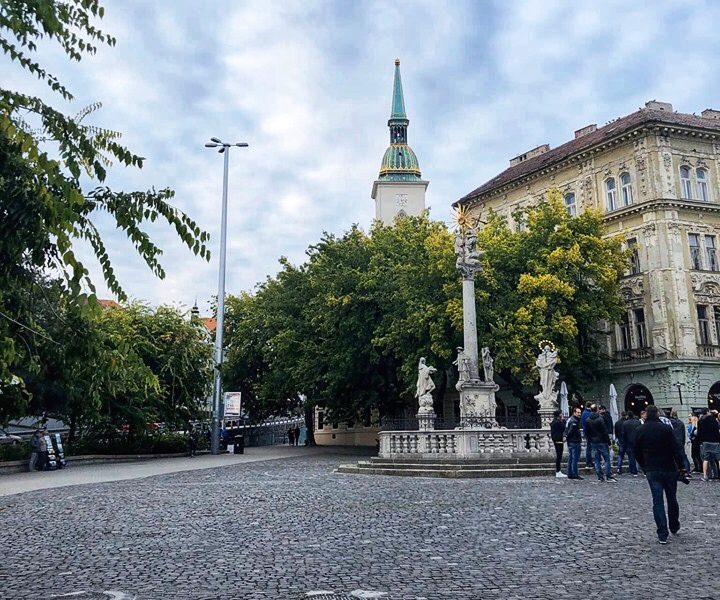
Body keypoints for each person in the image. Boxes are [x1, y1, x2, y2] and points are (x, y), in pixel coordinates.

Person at [634, 405, 687, 544]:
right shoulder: (666, 429)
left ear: (646, 414)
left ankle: (662, 533)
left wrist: (644, 465)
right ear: (657, 414)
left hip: (652, 468)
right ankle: (674, 525)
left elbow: (636, 451)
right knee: (672, 498)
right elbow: (676, 447)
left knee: (657, 501)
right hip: (668, 467)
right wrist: (682, 465)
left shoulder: (640, 430)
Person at [585, 405, 616, 482]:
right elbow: (604, 432)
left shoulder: (588, 420)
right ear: (597, 410)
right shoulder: (600, 419)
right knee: (606, 459)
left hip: (593, 442)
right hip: (602, 441)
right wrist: (609, 443)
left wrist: (590, 440)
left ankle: (600, 476)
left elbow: (587, 432)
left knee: (596, 460)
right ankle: (608, 475)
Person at [696, 409, 720, 481]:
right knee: (719, 459)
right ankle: (716, 474)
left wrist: (700, 442)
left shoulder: (700, 421)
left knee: (706, 459)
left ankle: (705, 476)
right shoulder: (714, 420)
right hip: (715, 441)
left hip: (705, 442)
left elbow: (699, 433)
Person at [564, 406, 583, 480]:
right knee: (575, 459)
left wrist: (566, 437)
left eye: (580, 412)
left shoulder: (570, 419)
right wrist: (568, 438)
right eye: (578, 412)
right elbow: (570, 432)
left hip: (572, 441)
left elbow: (566, 430)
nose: (579, 414)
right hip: (574, 441)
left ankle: (570, 473)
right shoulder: (574, 421)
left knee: (571, 458)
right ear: (574, 412)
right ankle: (574, 474)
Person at [621, 411, 641, 476]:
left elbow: (623, 434)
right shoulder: (638, 422)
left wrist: (623, 443)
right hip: (637, 442)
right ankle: (641, 469)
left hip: (628, 442)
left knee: (631, 457)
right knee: (638, 456)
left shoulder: (625, 423)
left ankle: (633, 471)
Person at [550, 410, 567, 478]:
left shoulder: (554, 422)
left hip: (557, 439)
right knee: (559, 456)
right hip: (558, 440)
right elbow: (563, 427)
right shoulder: (557, 422)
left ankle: (558, 471)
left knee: (559, 456)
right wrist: (563, 420)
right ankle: (558, 471)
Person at [581, 401, 593, 469]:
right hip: (590, 433)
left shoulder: (584, 413)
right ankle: (589, 462)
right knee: (589, 448)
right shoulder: (588, 413)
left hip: (587, 432)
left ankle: (589, 462)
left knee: (589, 448)